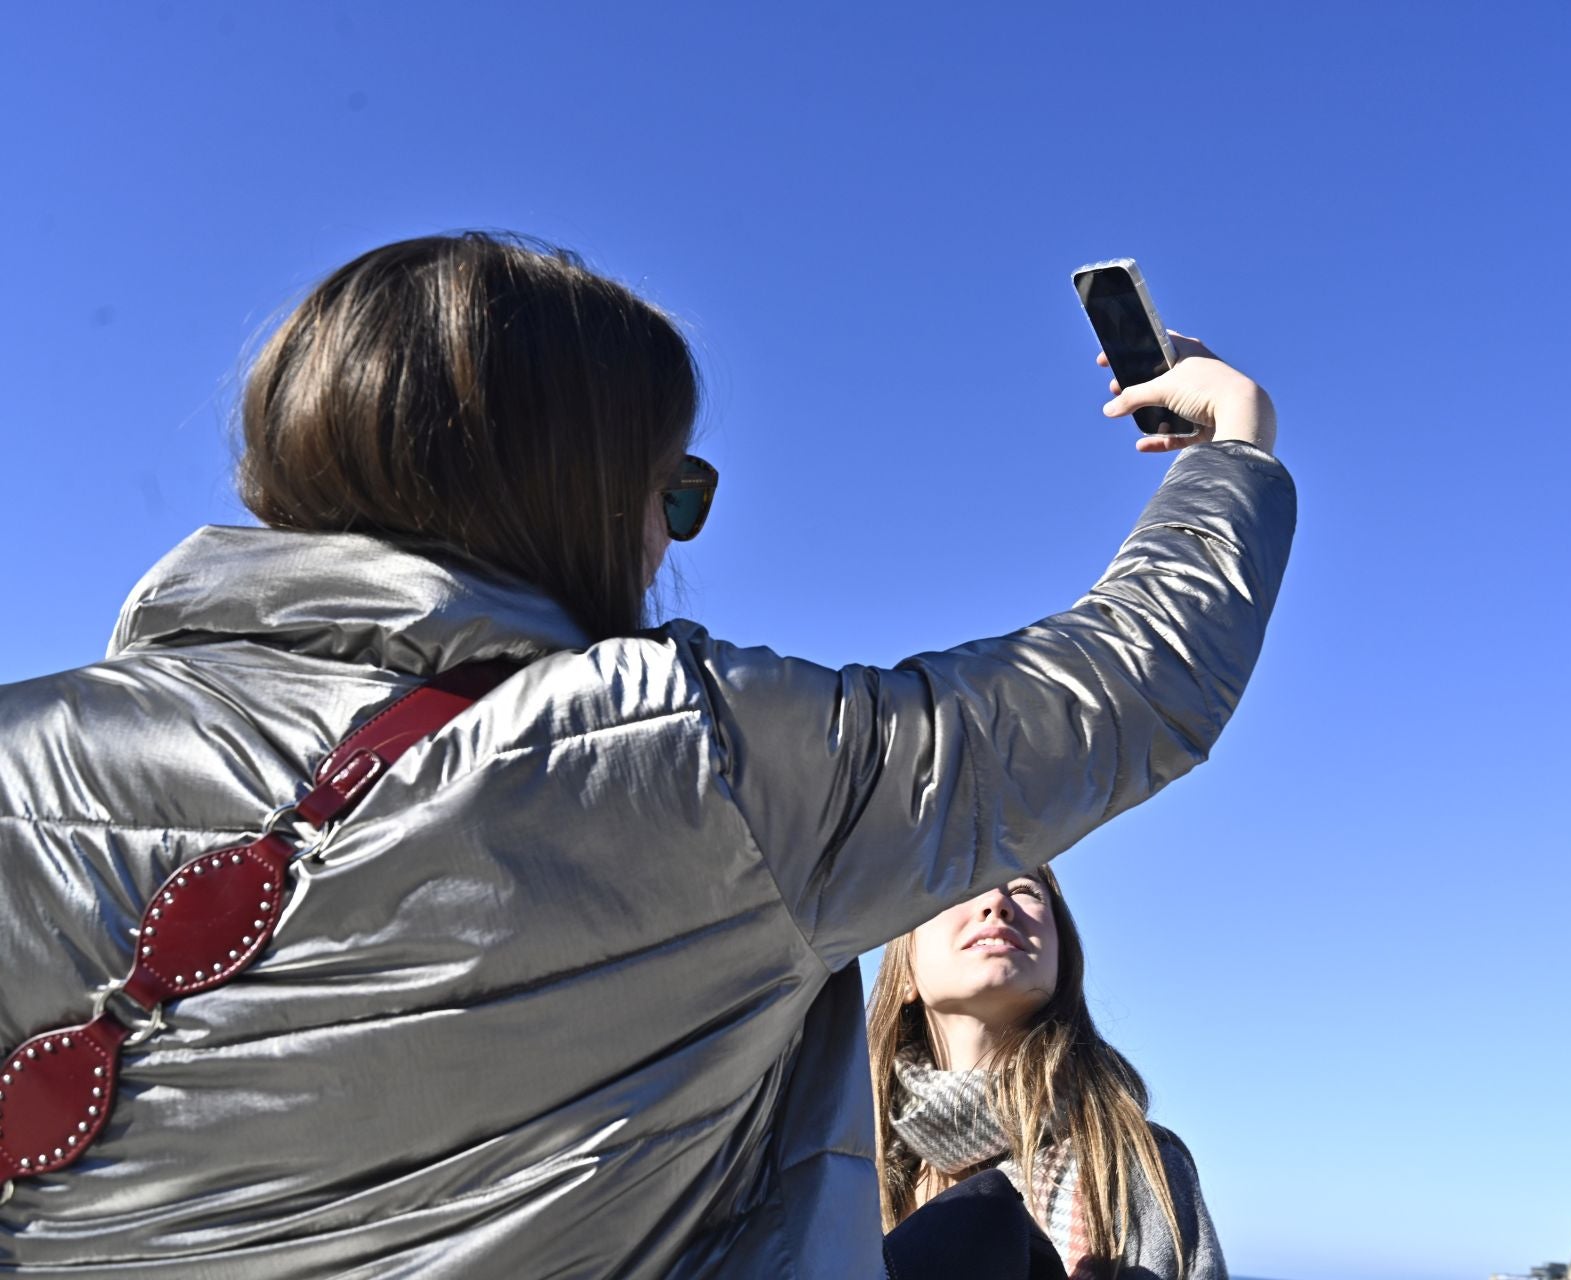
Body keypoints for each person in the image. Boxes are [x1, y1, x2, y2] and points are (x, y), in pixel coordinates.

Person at [0, 232, 1294, 1278]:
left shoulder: (24, 754)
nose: (671, 539)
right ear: (579, 485)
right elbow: (1129, 687)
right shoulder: (685, 760)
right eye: (675, 490)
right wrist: (1233, 446)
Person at [869, 868, 1226, 1280]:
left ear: (1062, 962)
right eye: (960, 887)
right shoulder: (847, 1175)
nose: (996, 903)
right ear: (905, 972)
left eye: (1025, 890)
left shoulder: (1132, 1166)